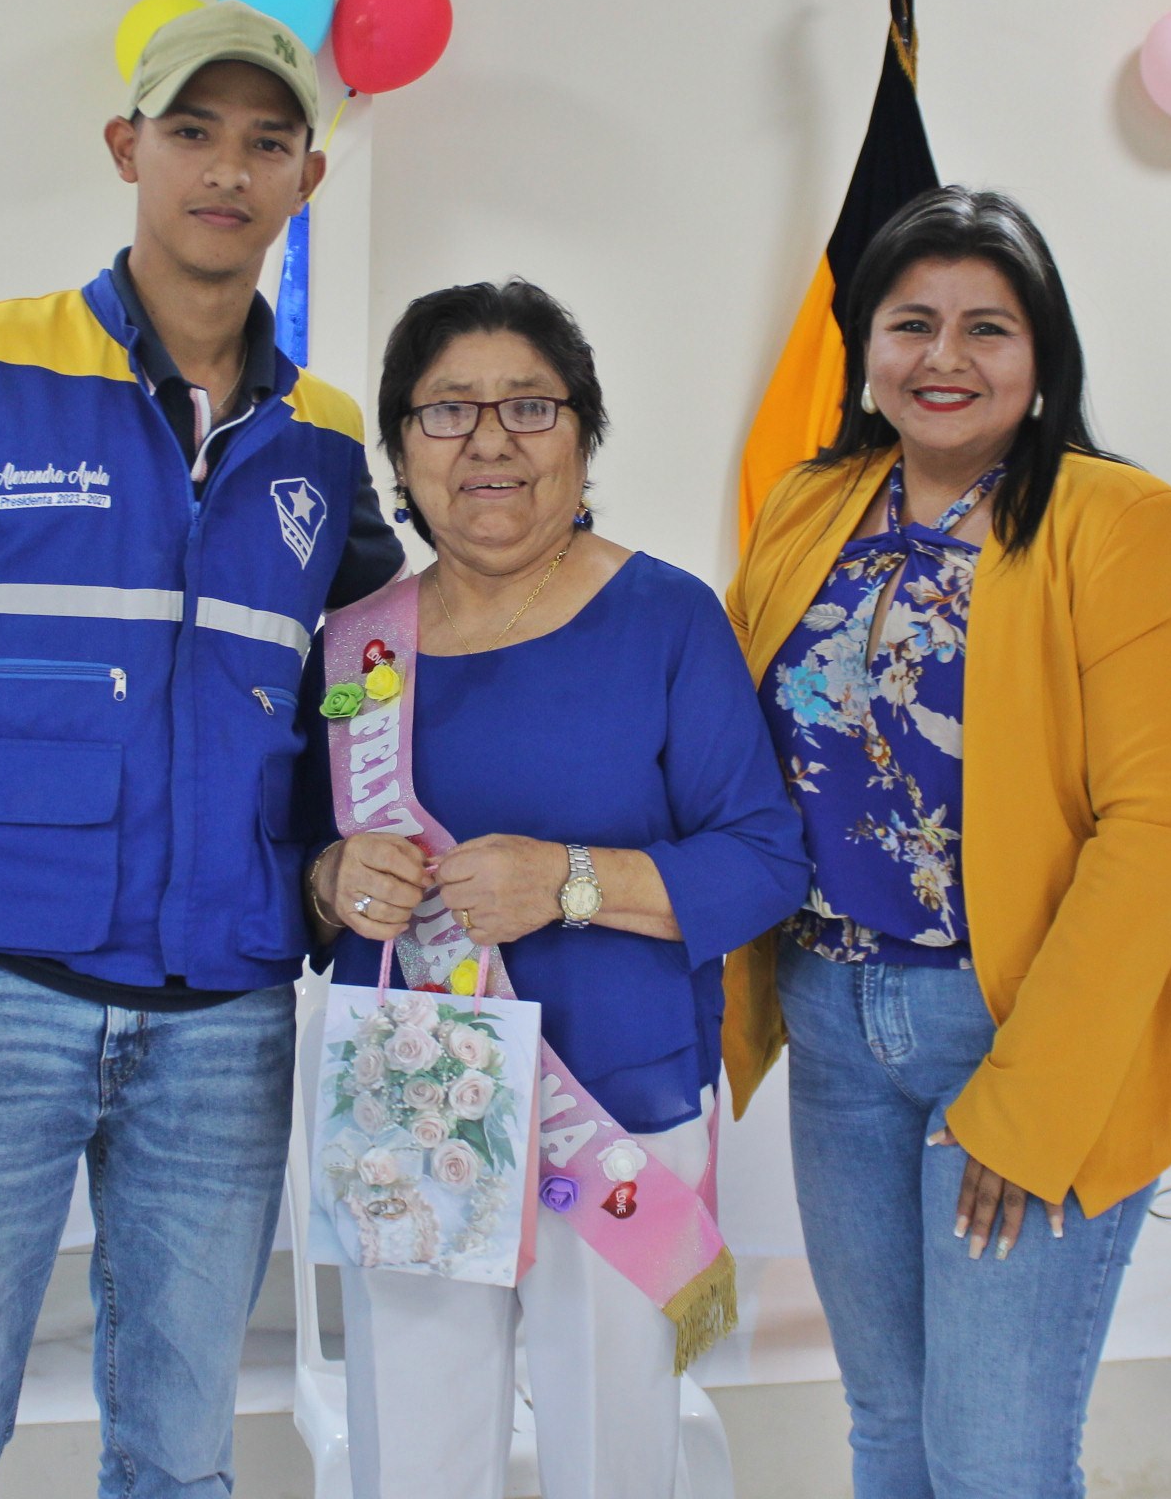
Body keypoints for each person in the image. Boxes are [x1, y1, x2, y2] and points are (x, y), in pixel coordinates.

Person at [0, 0, 404, 1498]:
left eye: (266, 142)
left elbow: (378, 684)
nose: (228, 170)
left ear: (310, 177)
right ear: (128, 149)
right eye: (193, 132)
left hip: (223, 1019)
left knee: (182, 1461)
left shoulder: (327, 441)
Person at [724, 186, 1171, 1498]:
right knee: (888, 1429)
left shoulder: (1119, 523)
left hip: (1015, 1023)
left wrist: (1035, 1100)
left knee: (995, 1459)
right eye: (912, 323)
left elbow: (1156, 831)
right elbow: (726, 736)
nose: (943, 358)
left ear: (1043, 355)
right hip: (834, 1018)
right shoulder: (809, 504)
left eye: (986, 328)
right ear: (866, 346)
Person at [304, 280, 807, 1499]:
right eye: (447, 410)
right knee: (412, 1460)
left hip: (614, 1108)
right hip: (417, 1106)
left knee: (613, 1461)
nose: (490, 440)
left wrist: (569, 882)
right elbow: (292, 863)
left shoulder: (667, 619)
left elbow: (764, 861)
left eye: (529, 406)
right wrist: (331, 877)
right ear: (402, 453)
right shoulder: (357, 645)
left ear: (583, 436)